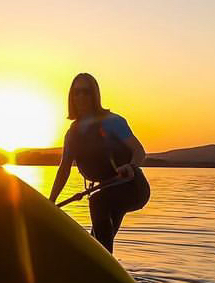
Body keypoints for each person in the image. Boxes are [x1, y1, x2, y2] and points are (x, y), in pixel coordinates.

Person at [49, 72, 150, 253]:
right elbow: (63, 170)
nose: (81, 96)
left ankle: (106, 268)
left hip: (133, 187)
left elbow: (139, 151)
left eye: (86, 92)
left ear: (95, 94)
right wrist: (50, 202)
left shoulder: (112, 122)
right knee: (95, 242)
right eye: (76, 92)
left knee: (98, 202)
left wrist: (131, 166)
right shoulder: (72, 134)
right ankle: (102, 268)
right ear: (71, 96)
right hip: (107, 190)